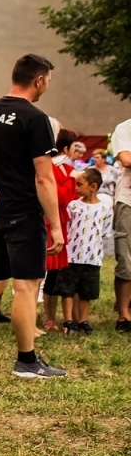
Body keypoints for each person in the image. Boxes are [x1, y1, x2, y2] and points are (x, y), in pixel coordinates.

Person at [0, 54, 67, 378]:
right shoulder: (35, 119)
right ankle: (27, 361)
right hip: (22, 215)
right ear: (38, 80)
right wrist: (55, 227)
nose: (46, 88)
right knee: (25, 287)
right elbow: (44, 177)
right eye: (47, 81)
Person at [57, 167, 113, 334]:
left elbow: (105, 231)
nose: (76, 188)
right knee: (68, 289)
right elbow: (66, 226)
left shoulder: (105, 208)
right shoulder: (73, 206)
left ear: (93, 186)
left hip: (92, 258)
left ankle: (83, 320)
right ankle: (68, 320)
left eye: (79, 184)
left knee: (86, 292)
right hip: (72, 256)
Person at [41, 126, 79, 333]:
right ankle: (48, 317)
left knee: (55, 273)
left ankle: (51, 317)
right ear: (66, 148)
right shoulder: (59, 168)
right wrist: (73, 180)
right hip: (51, 222)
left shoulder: (64, 167)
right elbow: (61, 196)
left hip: (61, 221)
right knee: (45, 271)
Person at [109, 114, 131, 332]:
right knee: (126, 258)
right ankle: (124, 315)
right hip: (128, 202)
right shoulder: (125, 129)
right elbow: (126, 159)